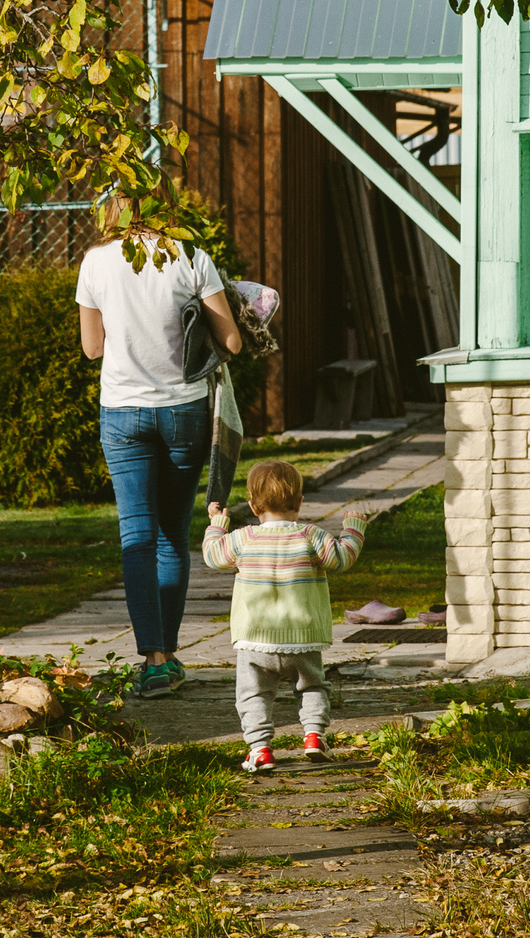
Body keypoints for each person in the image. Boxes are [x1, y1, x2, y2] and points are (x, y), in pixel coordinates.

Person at [75, 202, 242, 699]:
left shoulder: (95, 262)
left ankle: (153, 659)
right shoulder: (190, 255)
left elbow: (92, 348)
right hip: (183, 412)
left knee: (137, 535)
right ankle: (166, 655)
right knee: (173, 534)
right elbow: (230, 340)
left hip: (122, 412)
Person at [201, 459, 369, 773]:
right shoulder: (311, 536)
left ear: (252, 505)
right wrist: (353, 530)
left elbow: (212, 555)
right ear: (300, 502)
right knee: (313, 687)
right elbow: (343, 559)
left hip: (255, 640)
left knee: (253, 694)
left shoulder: (244, 538)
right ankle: (314, 737)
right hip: (303, 637)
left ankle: (260, 749)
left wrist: (216, 525)